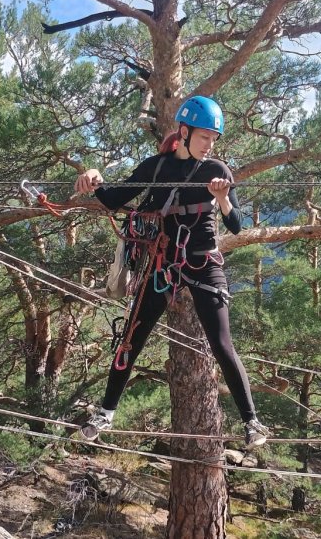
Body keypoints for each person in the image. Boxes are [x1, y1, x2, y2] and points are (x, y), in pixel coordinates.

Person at [73, 95, 270, 449]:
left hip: (203, 262)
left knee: (221, 342)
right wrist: (93, 176)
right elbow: (115, 198)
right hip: (163, 263)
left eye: (213, 138)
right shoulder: (157, 167)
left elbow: (237, 225)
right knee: (133, 334)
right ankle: (106, 412)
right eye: (204, 136)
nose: (209, 144)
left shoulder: (218, 171)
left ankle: (251, 421)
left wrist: (223, 199)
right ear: (184, 131)